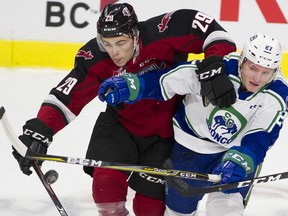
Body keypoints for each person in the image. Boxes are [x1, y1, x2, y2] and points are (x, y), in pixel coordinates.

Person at [11, 3, 236, 216]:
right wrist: (41, 130)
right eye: (107, 44)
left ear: (135, 34)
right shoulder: (95, 57)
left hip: (166, 132)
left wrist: (215, 65)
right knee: (105, 186)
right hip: (120, 126)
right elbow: (67, 96)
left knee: (148, 206)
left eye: (121, 43)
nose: (114, 52)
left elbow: (213, 32)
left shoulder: (163, 32)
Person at [98, 32, 288, 216]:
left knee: (226, 211)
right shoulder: (218, 70)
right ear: (242, 61)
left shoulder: (278, 95)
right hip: (191, 149)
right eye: (252, 68)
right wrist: (135, 86)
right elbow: (170, 80)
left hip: (234, 154)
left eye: (265, 72)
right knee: (178, 212)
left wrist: (243, 159)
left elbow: (262, 135)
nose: (257, 78)